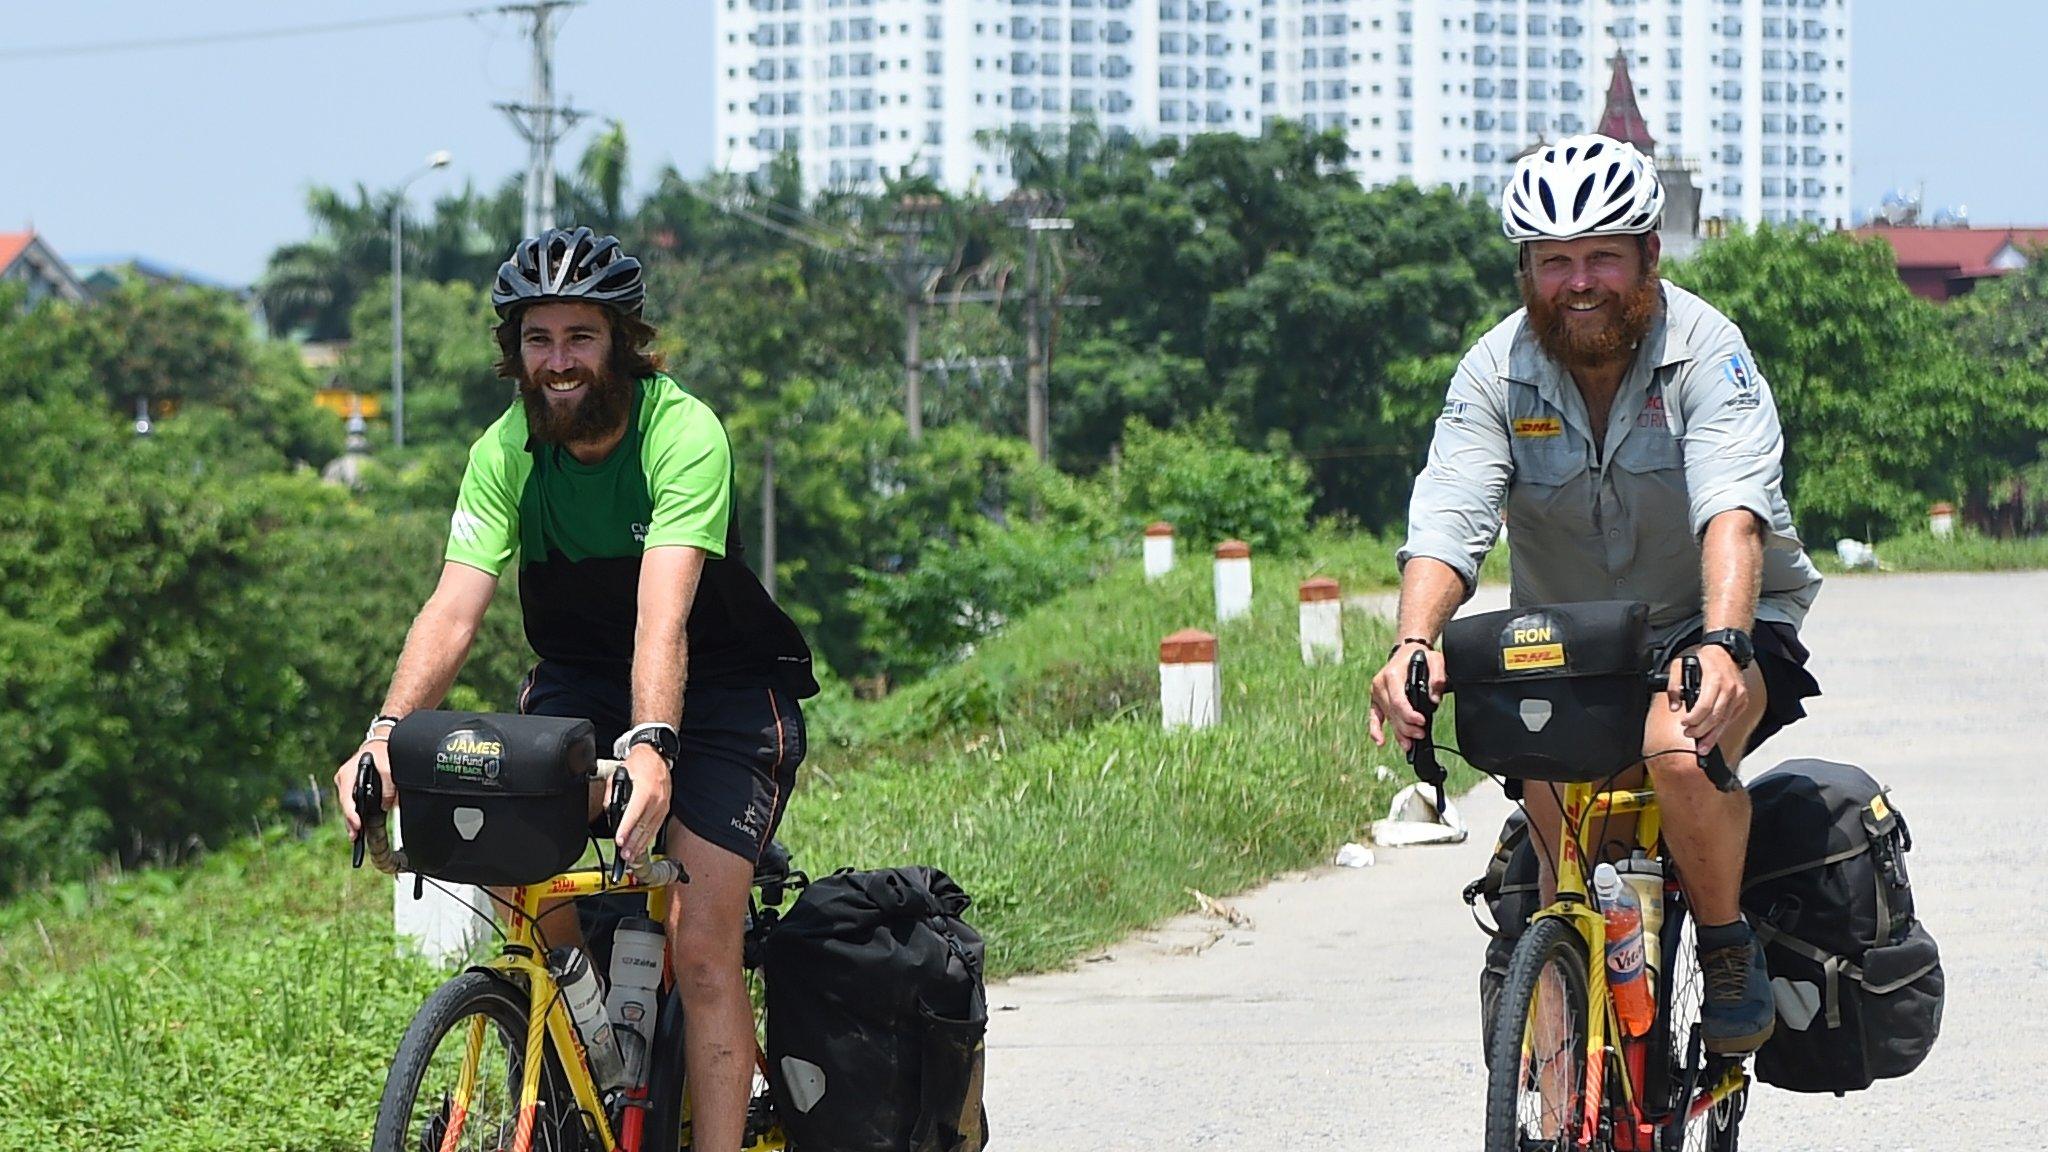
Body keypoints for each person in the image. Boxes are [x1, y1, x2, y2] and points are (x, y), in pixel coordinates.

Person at [334, 226, 818, 1148]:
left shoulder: (682, 432)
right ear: (515, 352)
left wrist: (651, 745)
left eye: (581, 338)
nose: (559, 362)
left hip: (715, 697)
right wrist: (384, 733)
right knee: (532, 894)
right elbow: (452, 609)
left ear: (622, 344)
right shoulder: (507, 449)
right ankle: (585, 1066)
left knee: (703, 945)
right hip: (577, 683)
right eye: (538, 340)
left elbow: (661, 617)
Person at [1367, 135, 1822, 1057]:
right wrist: (1414, 644)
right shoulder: (1495, 373)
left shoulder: (1707, 354)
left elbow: (1732, 514)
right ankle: (1561, 1043)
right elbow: (1451, 515)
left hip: (1717, 622)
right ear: (1527, 271)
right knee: (1556, 836)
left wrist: (1726, 645)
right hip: (1572, 641)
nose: (1582, 282)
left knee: (1679, 748)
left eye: (1605, 255)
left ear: (1649, 257)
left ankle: (1729, 948)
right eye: (1556, 262)